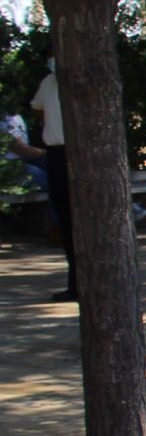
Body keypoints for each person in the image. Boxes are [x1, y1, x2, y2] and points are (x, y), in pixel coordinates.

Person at [28, 63, 74, 302]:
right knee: (65, 217)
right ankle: (74, 282)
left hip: (79, 152)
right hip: (55, 152)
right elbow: (37, 109)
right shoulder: (48, 82)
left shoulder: (83, 79)